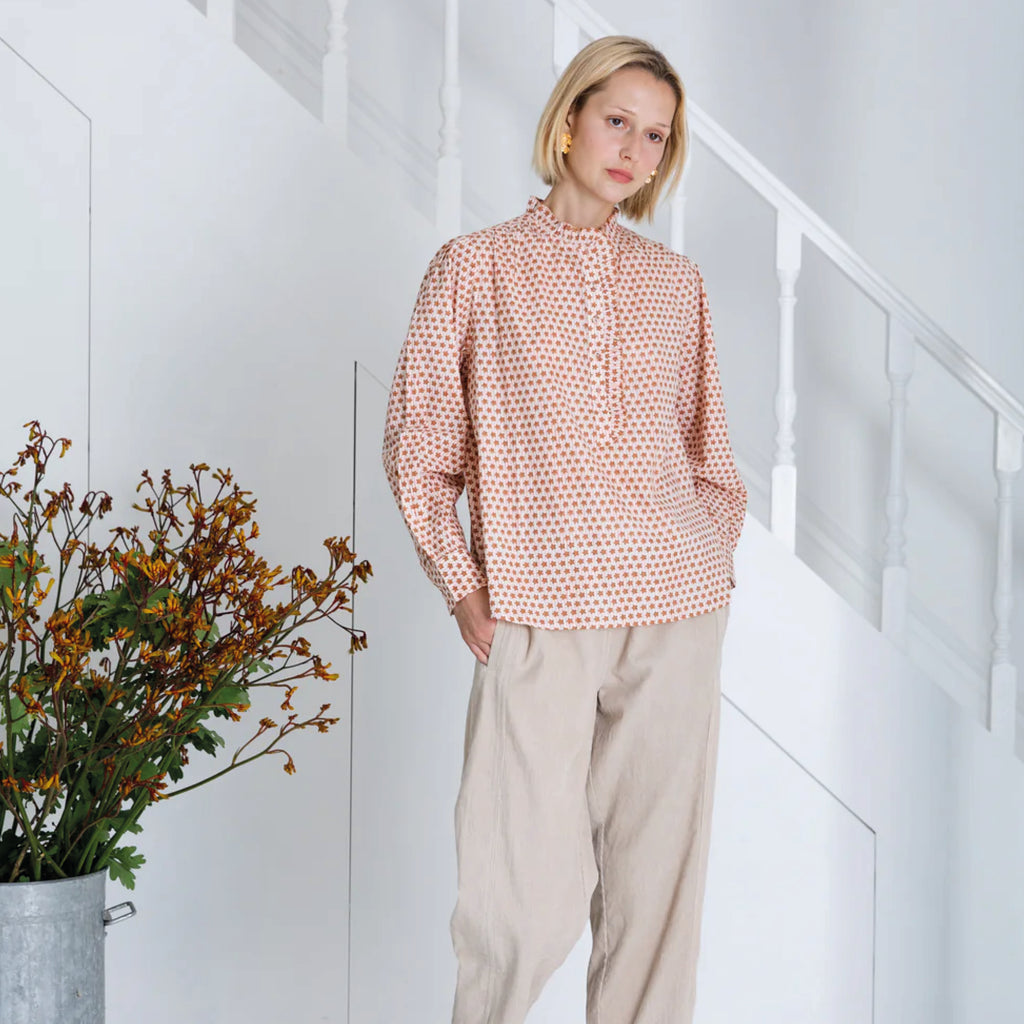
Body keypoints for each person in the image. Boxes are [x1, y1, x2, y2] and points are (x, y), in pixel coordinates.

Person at [381, 34, 747, 1024]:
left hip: (673, 612)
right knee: (516, 900)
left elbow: (712, 460)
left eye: (655, 134)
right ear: (570, 118)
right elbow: (420, 446)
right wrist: (461, 581)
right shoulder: (475, 266)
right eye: (615, 119)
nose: (631, 147)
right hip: (538, 611)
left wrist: (708, 563)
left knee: (655, 893)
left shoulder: (678, 284)